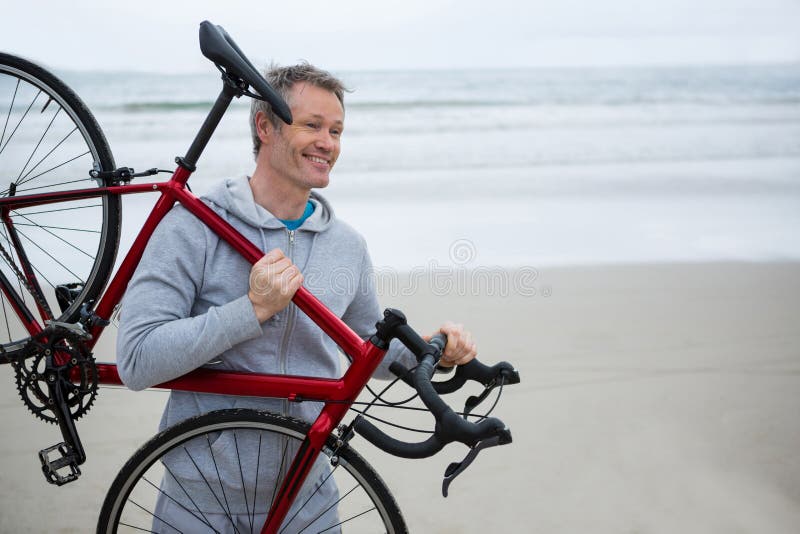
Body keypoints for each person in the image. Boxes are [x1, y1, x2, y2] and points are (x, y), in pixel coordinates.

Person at [116, 62, 477, 532]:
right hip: (200, 496)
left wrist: (434, 350)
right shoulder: (193, 227)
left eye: (337, 130)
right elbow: (138, 359)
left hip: (308, 494)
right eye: (311, 125)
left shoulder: (346, 245)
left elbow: (367, 347)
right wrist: (252, 311)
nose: (328, 143)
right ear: (264, 126)